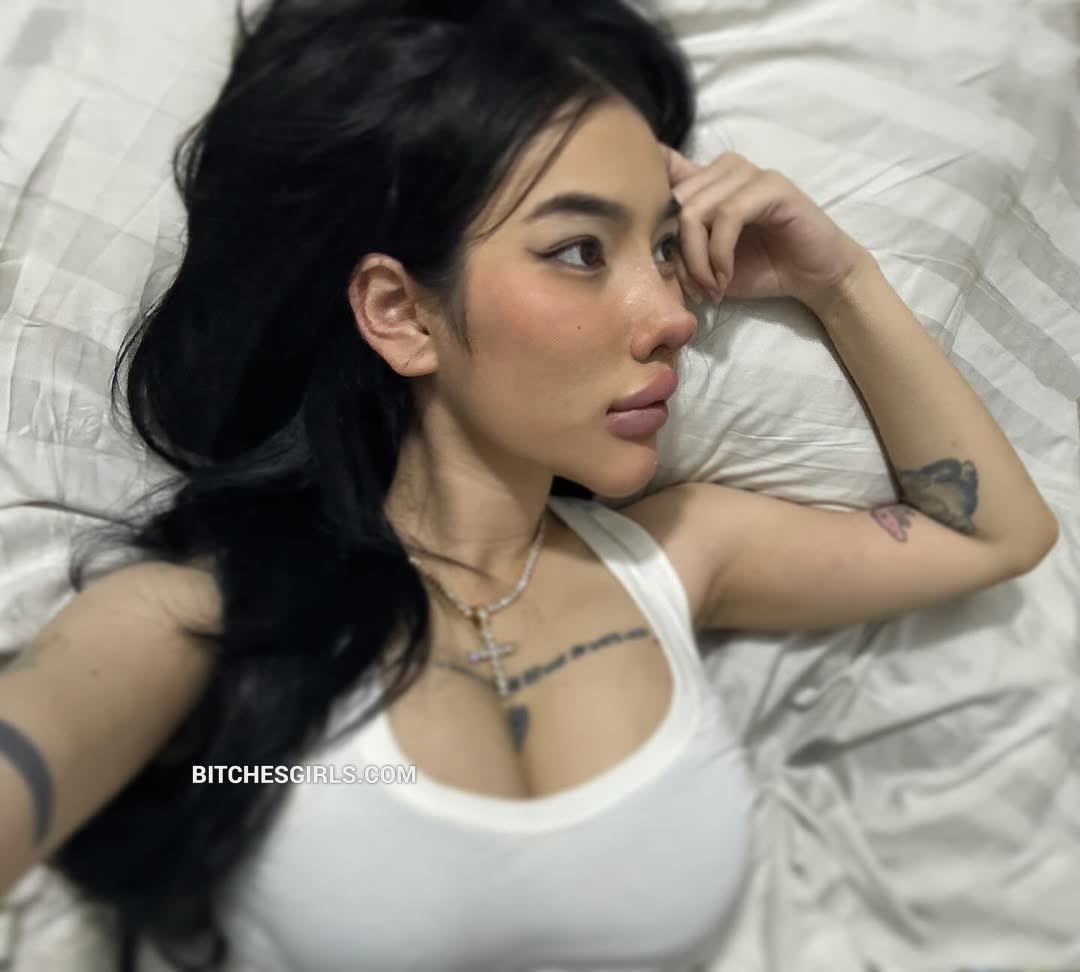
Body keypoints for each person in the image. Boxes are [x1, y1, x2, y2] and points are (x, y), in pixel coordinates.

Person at [0, 0, 1058, 969]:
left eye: (663, 247)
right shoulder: (192, 625)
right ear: (400, 312)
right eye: (582, 251)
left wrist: (838, 281)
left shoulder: (674, 557)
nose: (676, 316)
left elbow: (995, 537)